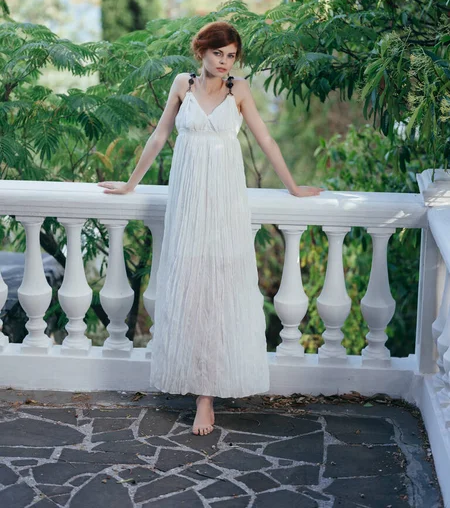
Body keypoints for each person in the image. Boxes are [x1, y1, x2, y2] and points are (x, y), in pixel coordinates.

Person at [98, 21, 323, 436]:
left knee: (221, 288)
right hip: (187, 204)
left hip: (224, 203)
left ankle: (208, 398)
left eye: (231, 55)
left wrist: (293, 186)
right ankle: (197, 384)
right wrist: (130, 183)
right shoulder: (182, 85)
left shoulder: (239, 91)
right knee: (190, 286)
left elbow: (266, 141)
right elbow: (160, 136)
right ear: (201, 51)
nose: (224, 62)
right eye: (218, 53)